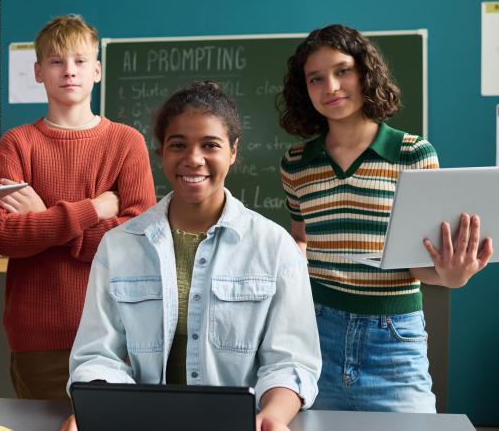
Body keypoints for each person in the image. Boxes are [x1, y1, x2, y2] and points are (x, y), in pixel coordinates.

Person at [62, 81, 321, 431]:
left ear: (232, 151)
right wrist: (95, 410)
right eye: (178, 145)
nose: (193, 159)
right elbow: (98, 354)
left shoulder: (275, 247)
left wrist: (273, 415)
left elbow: (291, 363)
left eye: (210, 145)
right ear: (161, 152)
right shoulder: (119, 245)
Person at [277, 24, 493, 412]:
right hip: (315, 334)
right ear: (303, 89)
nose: (331, 86)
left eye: (342, 70)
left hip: (392, 341)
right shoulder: (296, 164)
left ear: (365, 73)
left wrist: (451, 276)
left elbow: (420, 263)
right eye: (316, 78)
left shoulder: (413, 154)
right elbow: (302, 243)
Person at [0, 14, 156, 402]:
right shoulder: (16, 144)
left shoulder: (126, 143)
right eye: (56, 62)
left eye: (80, 61)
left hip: (117, 333)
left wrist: (46, 217)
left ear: (96, 70)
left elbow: (138, 245)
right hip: (38, 336)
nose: (69, 71)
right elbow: (7, 237)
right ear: (38, 72)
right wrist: (94, 209)